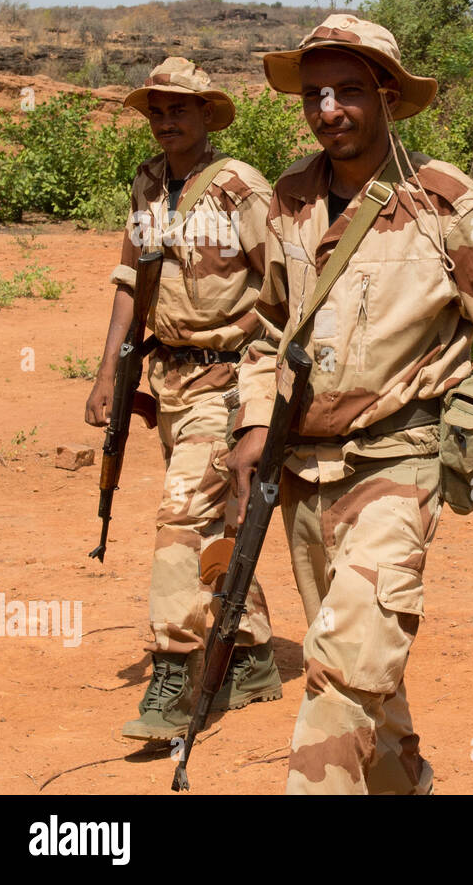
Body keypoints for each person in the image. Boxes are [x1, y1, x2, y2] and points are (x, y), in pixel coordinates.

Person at [227, 14, 473, 794]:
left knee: (337, 678)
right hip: (300, 476)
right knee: (370, 680)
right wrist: (250, 422)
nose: (329, 108)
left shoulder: (444, 207)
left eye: (350, 91)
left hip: (395, 472)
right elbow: (267, 328)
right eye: (315, 93)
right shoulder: (291, 199)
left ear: (390, 98)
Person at [86, 57, 281, 742]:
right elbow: (129, 278)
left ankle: (174, 669)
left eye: (180, 110)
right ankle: (253, 654)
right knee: (214, 523)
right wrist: (113, 370)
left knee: (178, 518)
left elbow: (285, 282)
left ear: (206, 116)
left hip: (228, 379)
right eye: (157, 111)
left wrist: (269, 391)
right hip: (169, 378)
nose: (166, 121)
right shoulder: (146, 183)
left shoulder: (239, 189)